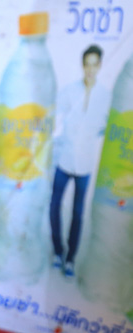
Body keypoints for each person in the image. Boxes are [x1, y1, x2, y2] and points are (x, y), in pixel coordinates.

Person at [49, 45, 111, 278]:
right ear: (82, 65)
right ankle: (57, 251)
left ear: (100, 66)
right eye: (88, 64)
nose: (91, 69)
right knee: (54, 205)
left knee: (77, 212)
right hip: (64, 160)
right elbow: (55, 113)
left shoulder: (105, 97)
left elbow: (106, 127)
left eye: (95, 64)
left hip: (84, 164)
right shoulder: (70, 91)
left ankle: (71, 259)